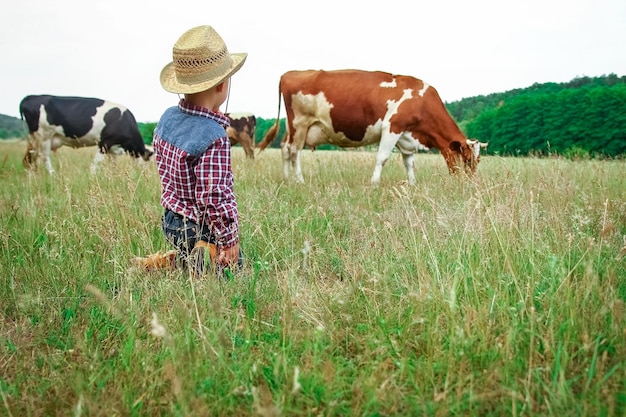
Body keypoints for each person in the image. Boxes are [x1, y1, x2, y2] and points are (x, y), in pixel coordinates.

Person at [138, 25, 247, 277]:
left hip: (171, 221)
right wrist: (229, 239)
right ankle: (206, 251)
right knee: (235, 267)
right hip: (198, 227)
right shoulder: (215, 137)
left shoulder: (166, 119)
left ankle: (175, 259)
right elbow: (214, 196)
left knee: (192, 254)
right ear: (221, 86)